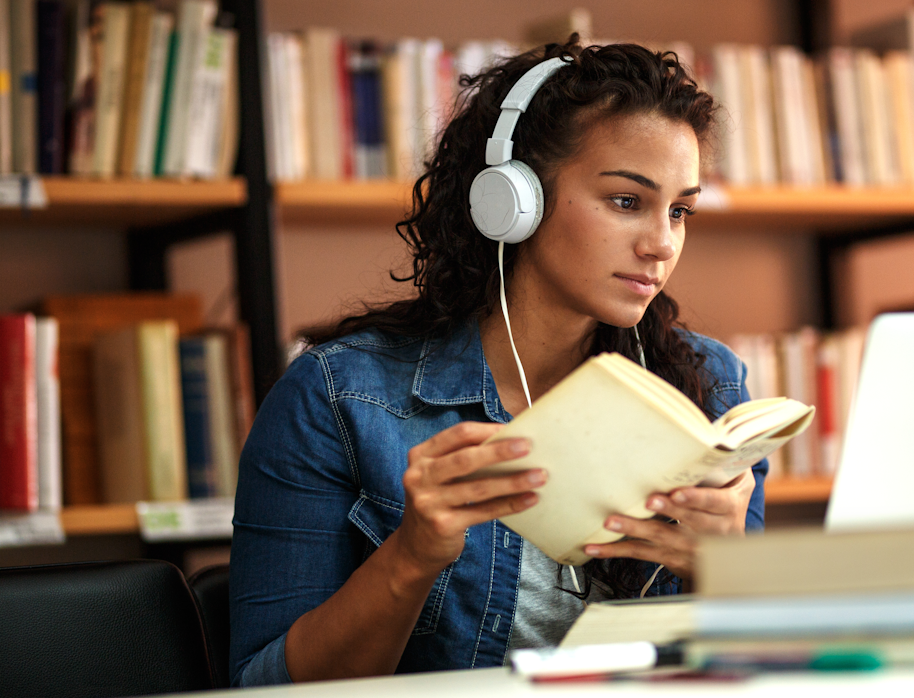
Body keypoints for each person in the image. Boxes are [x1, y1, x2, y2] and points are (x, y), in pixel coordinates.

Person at [230, 39, 769, 686]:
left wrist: (726, 570)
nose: (662, 244)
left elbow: (755, 673)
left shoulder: (709, 388)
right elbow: (262, 686)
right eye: (628, 201)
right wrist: (411, 557)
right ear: (514, 200)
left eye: (680, 210)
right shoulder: (336, 398)